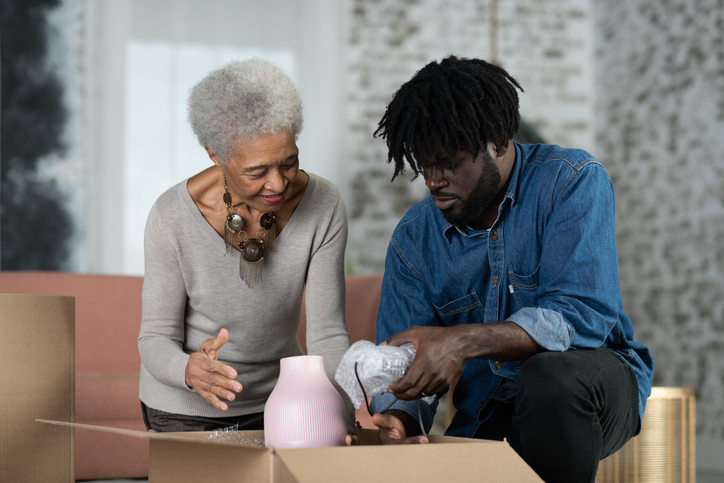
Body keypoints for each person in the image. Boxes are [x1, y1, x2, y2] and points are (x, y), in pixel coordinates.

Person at [368, 56, 654, 482]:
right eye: (425, 165)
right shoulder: (414, 239)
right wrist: (399, 418)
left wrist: (460, 342)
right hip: (490, 406)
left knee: (549, 378)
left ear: (499, 142)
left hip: (591, 385)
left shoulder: (572, 180)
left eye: (449, 163)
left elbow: (584, 316)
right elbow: (401, 363)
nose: (433, 181)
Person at [138, 59, 355, 435]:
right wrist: (188, 370)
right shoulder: (170, 216)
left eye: (289, 162)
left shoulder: (324, 205)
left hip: (286, 402)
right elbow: (155, 337)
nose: (277, 184)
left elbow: (328, 336)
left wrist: (341, 414)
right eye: (257, 172)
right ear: (215, 155)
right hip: (185, 407)